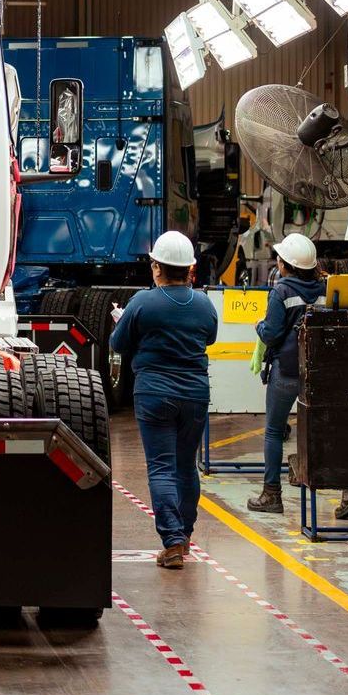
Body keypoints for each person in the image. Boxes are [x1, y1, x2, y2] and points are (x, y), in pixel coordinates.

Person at [109, 231, 218, 570]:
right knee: (187, 465)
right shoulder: (204, 303)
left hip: (155, 392)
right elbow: (210, 336)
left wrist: (124, 320)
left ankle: (171, 540)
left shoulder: (143, 302)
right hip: (195, 393)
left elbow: (117, 343)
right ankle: (183, 535)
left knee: (161, 466)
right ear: (190, 270)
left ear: (157, 267)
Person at [246, 234, 345, 515]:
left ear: (285, 264)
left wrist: (259, 327)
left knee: (274, 431)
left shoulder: (282, 291)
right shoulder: (326, 289)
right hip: (319, 370)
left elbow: (273, 333)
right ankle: (343, 488)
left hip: (287, 370)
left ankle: (271, 495)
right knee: (326, 431)